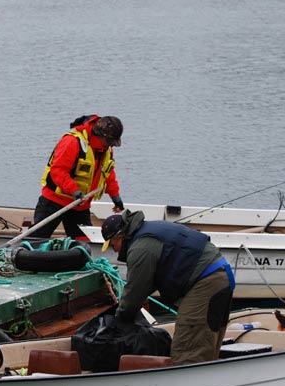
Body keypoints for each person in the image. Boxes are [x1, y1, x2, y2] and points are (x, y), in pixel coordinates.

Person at [100, 210, 235, 364]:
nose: (115, 250)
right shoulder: (148, 231)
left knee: (187, 352)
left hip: (205, 282)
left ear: (120, 236)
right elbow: (147, 283)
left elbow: (135, 292)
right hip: (221, 276)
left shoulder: (140, 248)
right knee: (206, 346)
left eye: (112, 245)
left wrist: (120, 320)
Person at [33, 115, 124, 240]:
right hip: (53, 202)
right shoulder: (72, 142)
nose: (110, 146)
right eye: (109, 142)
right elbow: (58, 171)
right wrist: (74, 190)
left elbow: (108, 173)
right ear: (100, 134)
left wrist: (115, 196)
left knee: (84, 244)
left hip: (80, 205)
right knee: (36, 240)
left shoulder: (106, 150)